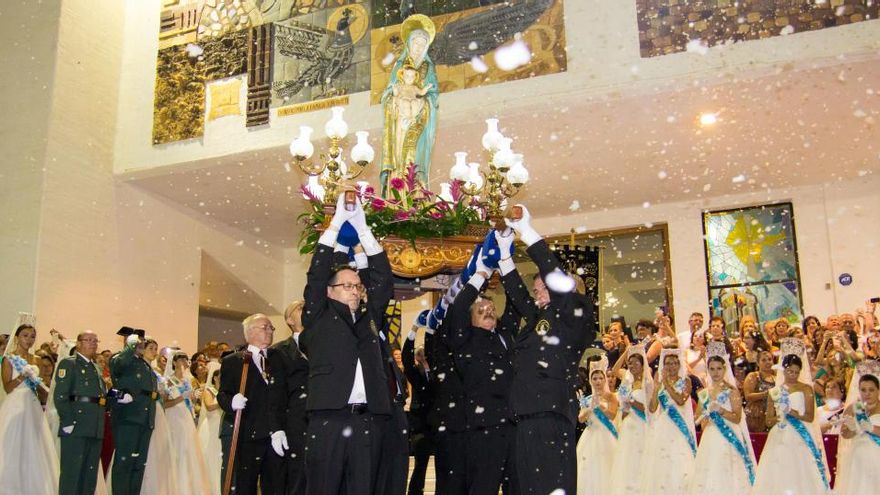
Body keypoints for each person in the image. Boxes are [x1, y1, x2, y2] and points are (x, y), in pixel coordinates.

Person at [494, 205, 596, 495]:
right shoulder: (540, 320)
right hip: (524, 419)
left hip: (548, 417)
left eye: (543, 288)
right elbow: (519, 297)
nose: (537, 293)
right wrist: (504, 257)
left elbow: (554, 278)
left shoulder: (575, 315)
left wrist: (527, 233)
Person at [299, 194, 395, 495]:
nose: (355, 290)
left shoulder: (370, 318)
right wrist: (337, 223)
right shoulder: (318, 315)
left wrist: (365, 231)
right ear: (330, 292)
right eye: (347, 286)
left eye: (357, 286)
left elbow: (384, 280)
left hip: (367, 420)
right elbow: (316, 275)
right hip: (328, 419)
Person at [447, 252, 517, 494]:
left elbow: (516, 306)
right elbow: (457, 308)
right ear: (471, 319)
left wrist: (507, 267)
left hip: (514, 425)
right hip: (484, 428)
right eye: (481, 310)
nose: (488, 312)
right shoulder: (464, 341)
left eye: (491, 308)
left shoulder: (506, 336)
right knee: (483, 488)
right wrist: (481, 275)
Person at [217, 314, 287, 495]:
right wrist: (232, 401)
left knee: (276, 486)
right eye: (265, 327)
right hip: (249, 434)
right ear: (250, 332)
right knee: (245, 485)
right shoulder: (234, 361)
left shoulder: (279, 359)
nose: (270, 331)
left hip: (276, 435)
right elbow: (223, 394)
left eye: (271, 328)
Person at [752, 340, 830, 494]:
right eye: (789, 371)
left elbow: (809, 417)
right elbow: (769, 420)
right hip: (780, 435)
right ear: (784, 370)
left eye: (796, 372)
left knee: (802, 469)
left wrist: (791, 411)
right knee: (781, 469)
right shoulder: (775, 391)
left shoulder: (806, 388)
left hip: (801, 434)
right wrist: (780, 416)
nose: (793, 375)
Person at [380, 14, 439, 193]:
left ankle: (415, 194)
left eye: (423, 44)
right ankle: (396, 191)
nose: (418, 47)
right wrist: (397, 99)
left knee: (416, 157)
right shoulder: (399, 66)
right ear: (409, 44)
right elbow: (388, 93)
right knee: (399, 155)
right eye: (416, 43)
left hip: (419, 119)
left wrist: (421, 101)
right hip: (399, 120)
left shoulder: (429, 68)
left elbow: (433, 95)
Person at [0, 315, 59, 494]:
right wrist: (22, 376)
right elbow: (7, 387)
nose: (29, 339)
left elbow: (39, 387)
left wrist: (47, 392)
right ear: (17, 337)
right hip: (15, 403)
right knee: (13, 443)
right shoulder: (9, 359)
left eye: (32, 336)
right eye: (25, 335)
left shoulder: (37, 360)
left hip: (32, 404)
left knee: (35, 444)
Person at [688, 345, 755, 494]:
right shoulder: (704, 393)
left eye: (719, 369)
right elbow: (697, 418)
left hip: (729, 435)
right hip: (710, 436)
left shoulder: (732, 391)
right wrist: (705, 415)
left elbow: (737, 418)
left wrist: (721, 410)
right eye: (712, 369)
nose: (715, 372)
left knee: (728, 470)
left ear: (724, 370)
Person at [53, 331, 107, 495]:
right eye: (88, 340)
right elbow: (61, 395)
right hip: (76, 425)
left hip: (94, 426)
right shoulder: (69, 364)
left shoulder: (96, 368)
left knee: (89, 476)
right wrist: (68, 421)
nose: (93, 343)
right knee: (72, 474)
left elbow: (100, 396)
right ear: (78, 343)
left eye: (95, 340)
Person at [109, 330, 159, 495]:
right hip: (129, 417)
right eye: (137, 342)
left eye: (142, 342)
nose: (140, 345)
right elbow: (117, 367)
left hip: (145, 418)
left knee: (138, 464)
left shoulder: (144, 365)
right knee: (125, 463)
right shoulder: (121, 359)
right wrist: (129, 347)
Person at [271, 300, 309, 495]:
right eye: (300, 307)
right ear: (289, 319)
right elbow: (276, 393)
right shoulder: (278, 351)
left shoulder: (327, 344)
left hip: (325, 418)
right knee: (298, 476)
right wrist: (277, 427)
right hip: (296, 420)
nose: (306, 307)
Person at [164, 351, 211, 494]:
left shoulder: (187, 380)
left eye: (186, 359)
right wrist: (181, 397)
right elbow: (165, 403)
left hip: (186, 416)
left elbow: (191, 401)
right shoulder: (168, 380)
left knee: (188, 449)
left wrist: (193, 397)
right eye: (181, 359)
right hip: (173, 416)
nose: (184, 362)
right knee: (176, 447)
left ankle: (187, 484)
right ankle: (174, 483)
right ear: (174, 362)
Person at [607, 344, 651, 494]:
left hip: (642, 424)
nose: (632, 366)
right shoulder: (628, 381)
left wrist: (630, 401)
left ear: (642, 364)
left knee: (640, 454)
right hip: (628, 423)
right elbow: (614, 370)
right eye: (630, 363)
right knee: (627, 457)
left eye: (635, 363)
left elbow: (649, 408)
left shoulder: (647, 382)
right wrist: (627, 351)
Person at [402, 317, 436, 495]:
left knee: (447, 468)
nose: (423, 357)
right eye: (420, 355)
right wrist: (414, 329)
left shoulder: (438, 372)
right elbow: (406, 360)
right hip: (421, 427)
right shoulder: (415, 373)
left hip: (439, 426)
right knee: (420, 467)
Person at [575, 356, 618, 495]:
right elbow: (581, 419)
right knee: (590, 470)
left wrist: (600, 406)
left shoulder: (611, 396)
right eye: (595, 378)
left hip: (607, 436)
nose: (598, 381)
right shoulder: (587, 399)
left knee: (608, 468)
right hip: (591, 437)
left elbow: (612, 415)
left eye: (600, 378)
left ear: (605, 379)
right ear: (590, 380)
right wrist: (589, 409)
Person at [836, 363, 880, 495]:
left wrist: (871, 428)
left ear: (878, 390)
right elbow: (845, 435)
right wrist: (852, 428)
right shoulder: (853, 408)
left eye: (871, 390)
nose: (867, 393)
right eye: (863, 390)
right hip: (858, 455)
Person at [197, 361, 223, 495]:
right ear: (214, 377)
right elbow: (209, 406)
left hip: (221, 424)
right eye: (219, 376)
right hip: (211, 425)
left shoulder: (225, 391)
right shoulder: (209, 391)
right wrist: (223, 402)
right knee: (209, 453)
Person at [742, 350, 775, 433]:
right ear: (758, 363)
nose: (767, 362)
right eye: (764, 360)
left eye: (769, 359)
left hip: (771, 416)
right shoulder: (753, 376)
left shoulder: (776, 378)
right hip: (755, 416)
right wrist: (766, 394)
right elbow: (748, 396)